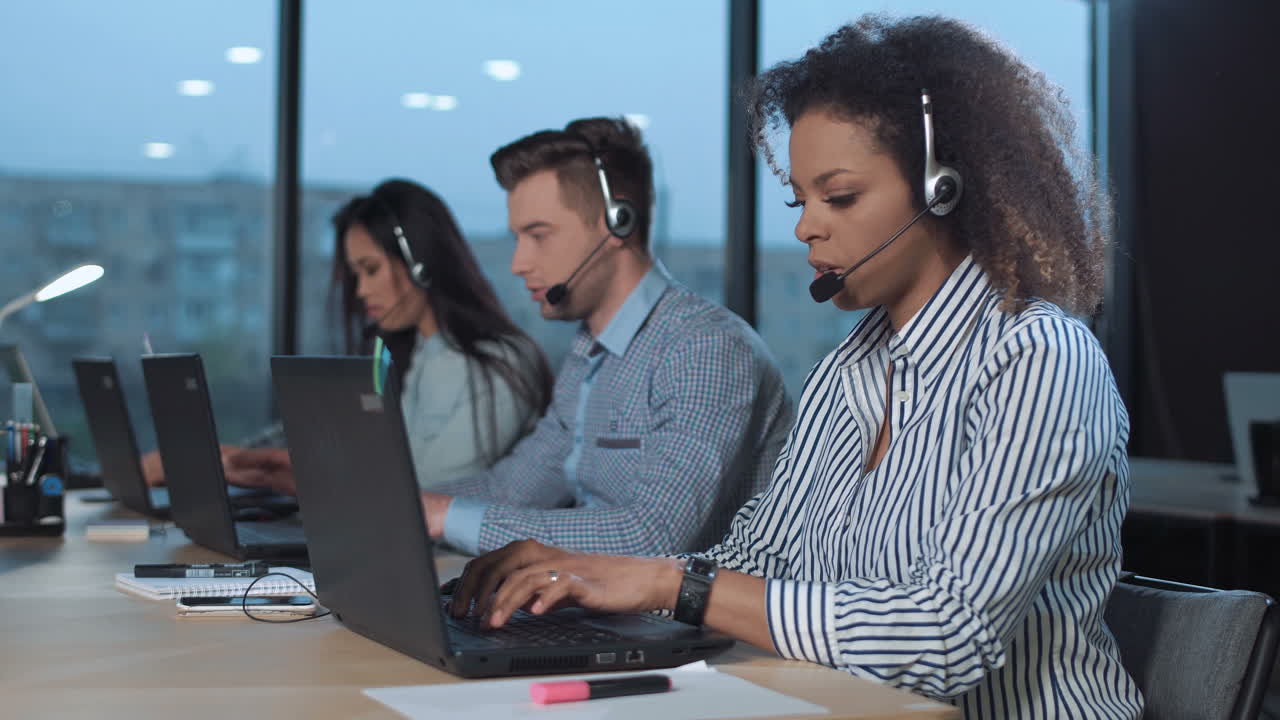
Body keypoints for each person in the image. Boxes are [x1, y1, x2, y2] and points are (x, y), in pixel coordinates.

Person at [444, 16, 1143, 719]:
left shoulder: (1038, 361)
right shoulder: (849, 371)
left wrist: (664, 583)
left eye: (837, 197)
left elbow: (946, 633)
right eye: (798, 199)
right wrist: (601, 578)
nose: (806, 226)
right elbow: (759, 557)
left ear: (943, 189)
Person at [418, 117, 793, 557]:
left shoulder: (705, 349)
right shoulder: (590, 355)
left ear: (618, 224)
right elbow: (512, 490)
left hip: (690, 623)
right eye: (517, 238)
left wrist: (446, 516)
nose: (518, 263)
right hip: (606, 610)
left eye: (539, 235)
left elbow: (651, 538)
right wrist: (406, 502)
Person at [143, 179, 553, 495]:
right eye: (355, 275)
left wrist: (278, 470)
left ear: (421, 265)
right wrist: (243, 460)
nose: (360, 292)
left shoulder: (498, 364)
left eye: (370, 270)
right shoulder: (415, 356)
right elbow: (358, 456)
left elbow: (429, 493)